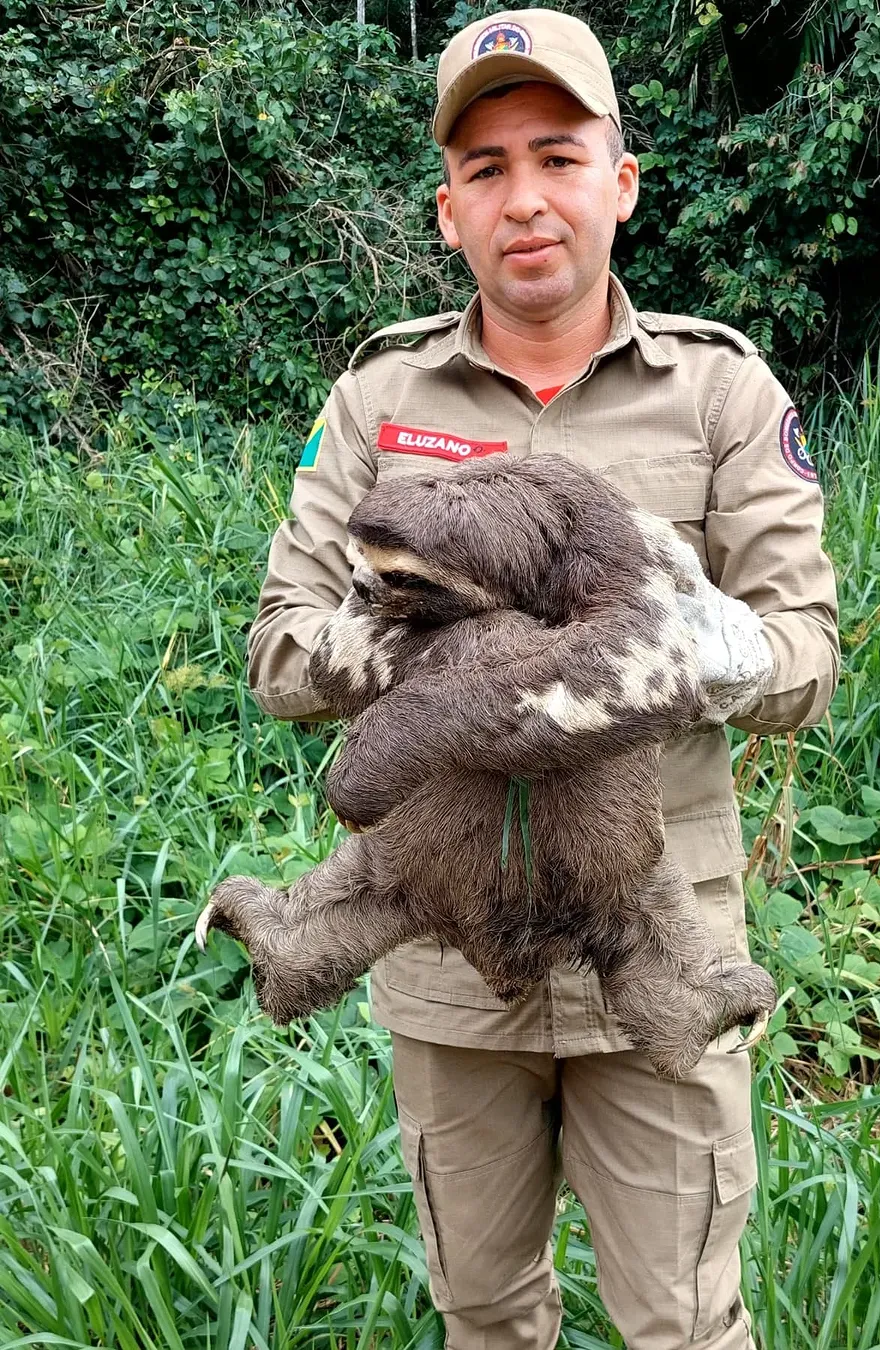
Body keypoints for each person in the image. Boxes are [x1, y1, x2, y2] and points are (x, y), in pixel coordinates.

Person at [245, 10, 839, 1347]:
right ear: (447, 208)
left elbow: (804, 657)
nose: (525, 198)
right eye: (487, 166)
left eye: (558, 156)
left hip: (656, 942)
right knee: (485, 1309)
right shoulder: (378, 393)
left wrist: (697, 649)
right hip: (448, 961)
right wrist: (461, 662)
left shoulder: (719, 393)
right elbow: (281, 647)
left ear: (620, 181)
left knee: (685, 1317)